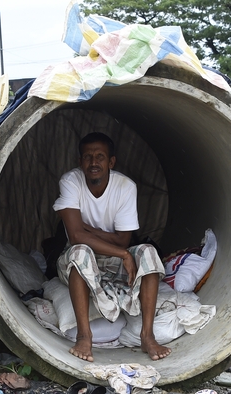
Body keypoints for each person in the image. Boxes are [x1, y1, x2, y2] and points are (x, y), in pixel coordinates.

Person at [53, 132, 171, 362]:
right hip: (78, 262)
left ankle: (147, 335)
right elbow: (77, 236)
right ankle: (84, 337)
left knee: (148, 251)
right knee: (81, 251)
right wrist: (122, 253)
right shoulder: (70, 182)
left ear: (111, 161)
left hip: (114, 261)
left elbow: (123, 240)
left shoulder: (125, 187)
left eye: (100, 156)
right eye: (87, 157)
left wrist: (90, 231)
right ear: (80, 162)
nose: (94, 162)